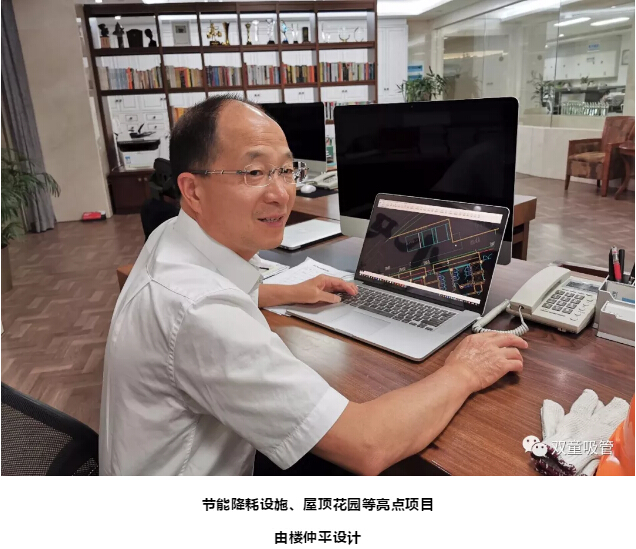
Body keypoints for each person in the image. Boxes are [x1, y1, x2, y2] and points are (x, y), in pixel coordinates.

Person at [99, 95, 527, 475]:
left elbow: (212, 289)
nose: (281, 193)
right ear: (193, 191)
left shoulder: (172, 236)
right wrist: (464, 371)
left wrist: (288, 292)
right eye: (255, 172)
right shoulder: (202, 313)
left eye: (287, 170)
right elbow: (367, 445)